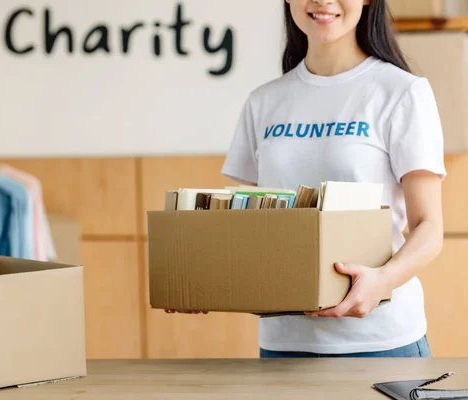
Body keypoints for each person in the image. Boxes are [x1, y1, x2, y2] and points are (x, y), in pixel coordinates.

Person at [167, 0, 446, 359]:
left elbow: (430, 227)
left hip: (380, 341)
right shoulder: (264, 102)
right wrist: (203, 278)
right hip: (284, 344)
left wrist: (381, 282)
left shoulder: (402, 92)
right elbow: (242, 228)